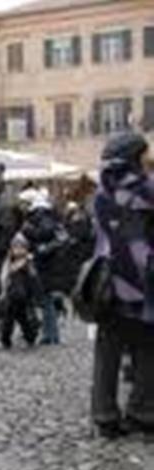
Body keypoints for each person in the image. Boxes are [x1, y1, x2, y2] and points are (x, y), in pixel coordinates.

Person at [91, 132, 154, 439]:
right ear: (134, 157)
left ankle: (105, 415)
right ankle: (142, 413)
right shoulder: (148, 190)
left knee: (108, 351)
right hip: (143, 282)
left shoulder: (102, 192)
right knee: (147, 350)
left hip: (106, 281)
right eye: (145, 154)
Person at [21, 190, 70, 345]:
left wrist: (29, 231)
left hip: (46, 265)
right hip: (49, 264)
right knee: (46, 299)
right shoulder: (47, 216)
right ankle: (50, 333)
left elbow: (44, 234)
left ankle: (50, 334)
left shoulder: (41, 217)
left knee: (45, 300)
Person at [0, 234, 42, 349]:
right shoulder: (9, 262)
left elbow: (34, 280)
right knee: (20, 318)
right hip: (13, 295)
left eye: (21, 247)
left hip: (20, 296)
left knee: (11, 319)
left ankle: (5, 340)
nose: (18, 250)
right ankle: (29, 337)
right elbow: (4, 278)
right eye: (16, 247)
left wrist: (35, 296)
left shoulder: (27, 264)